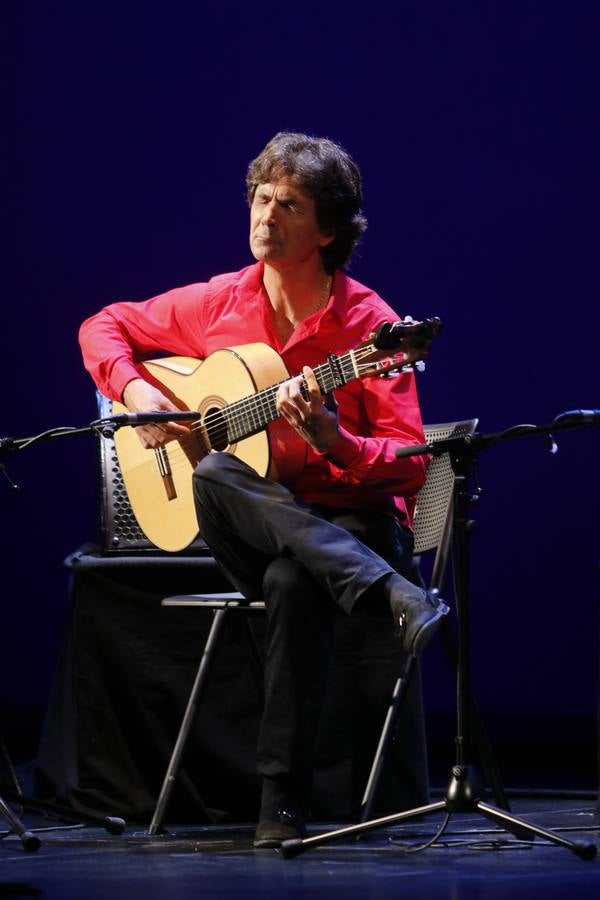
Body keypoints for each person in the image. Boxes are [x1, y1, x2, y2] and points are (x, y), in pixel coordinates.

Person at [79, 131, 448, 848]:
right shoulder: (221, 303)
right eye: (261, 197)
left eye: (291, 205)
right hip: (257, 524)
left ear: (329, 229)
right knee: (218, 471)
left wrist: (333, 441)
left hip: (352, 526)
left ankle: (280, 804)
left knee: (290, 578)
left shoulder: (371, 330)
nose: (266, 215)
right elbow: (105, 324)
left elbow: (409, 466)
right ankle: (391, 594)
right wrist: (138, 392)